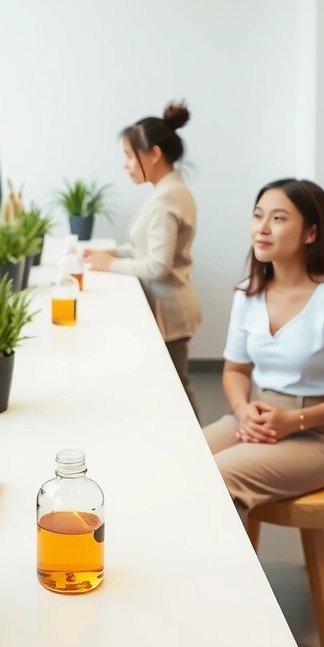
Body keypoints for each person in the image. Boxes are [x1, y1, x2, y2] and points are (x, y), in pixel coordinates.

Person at [202, 179, 324, 525]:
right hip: (255, 418)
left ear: (311, 233)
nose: (263, 228)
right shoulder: (248, 293)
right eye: (258, 216)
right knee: (183, 460)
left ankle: (225, 564)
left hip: (319, 438)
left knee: (218, 476)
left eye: (279, 218)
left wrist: (293, 420)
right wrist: (242, 410)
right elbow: (235, 370)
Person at [84, 102, 202, 418]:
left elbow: (157, 266)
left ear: (154, 154)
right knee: (174, 388)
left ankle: (199, 447)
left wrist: (108, 264)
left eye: (129, 155)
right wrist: (110, 254)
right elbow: (144, 249)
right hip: (168, 306)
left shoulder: (166, 198)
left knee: (177, 390)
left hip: (169, 311)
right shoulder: (167, 189)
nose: (125, 164)